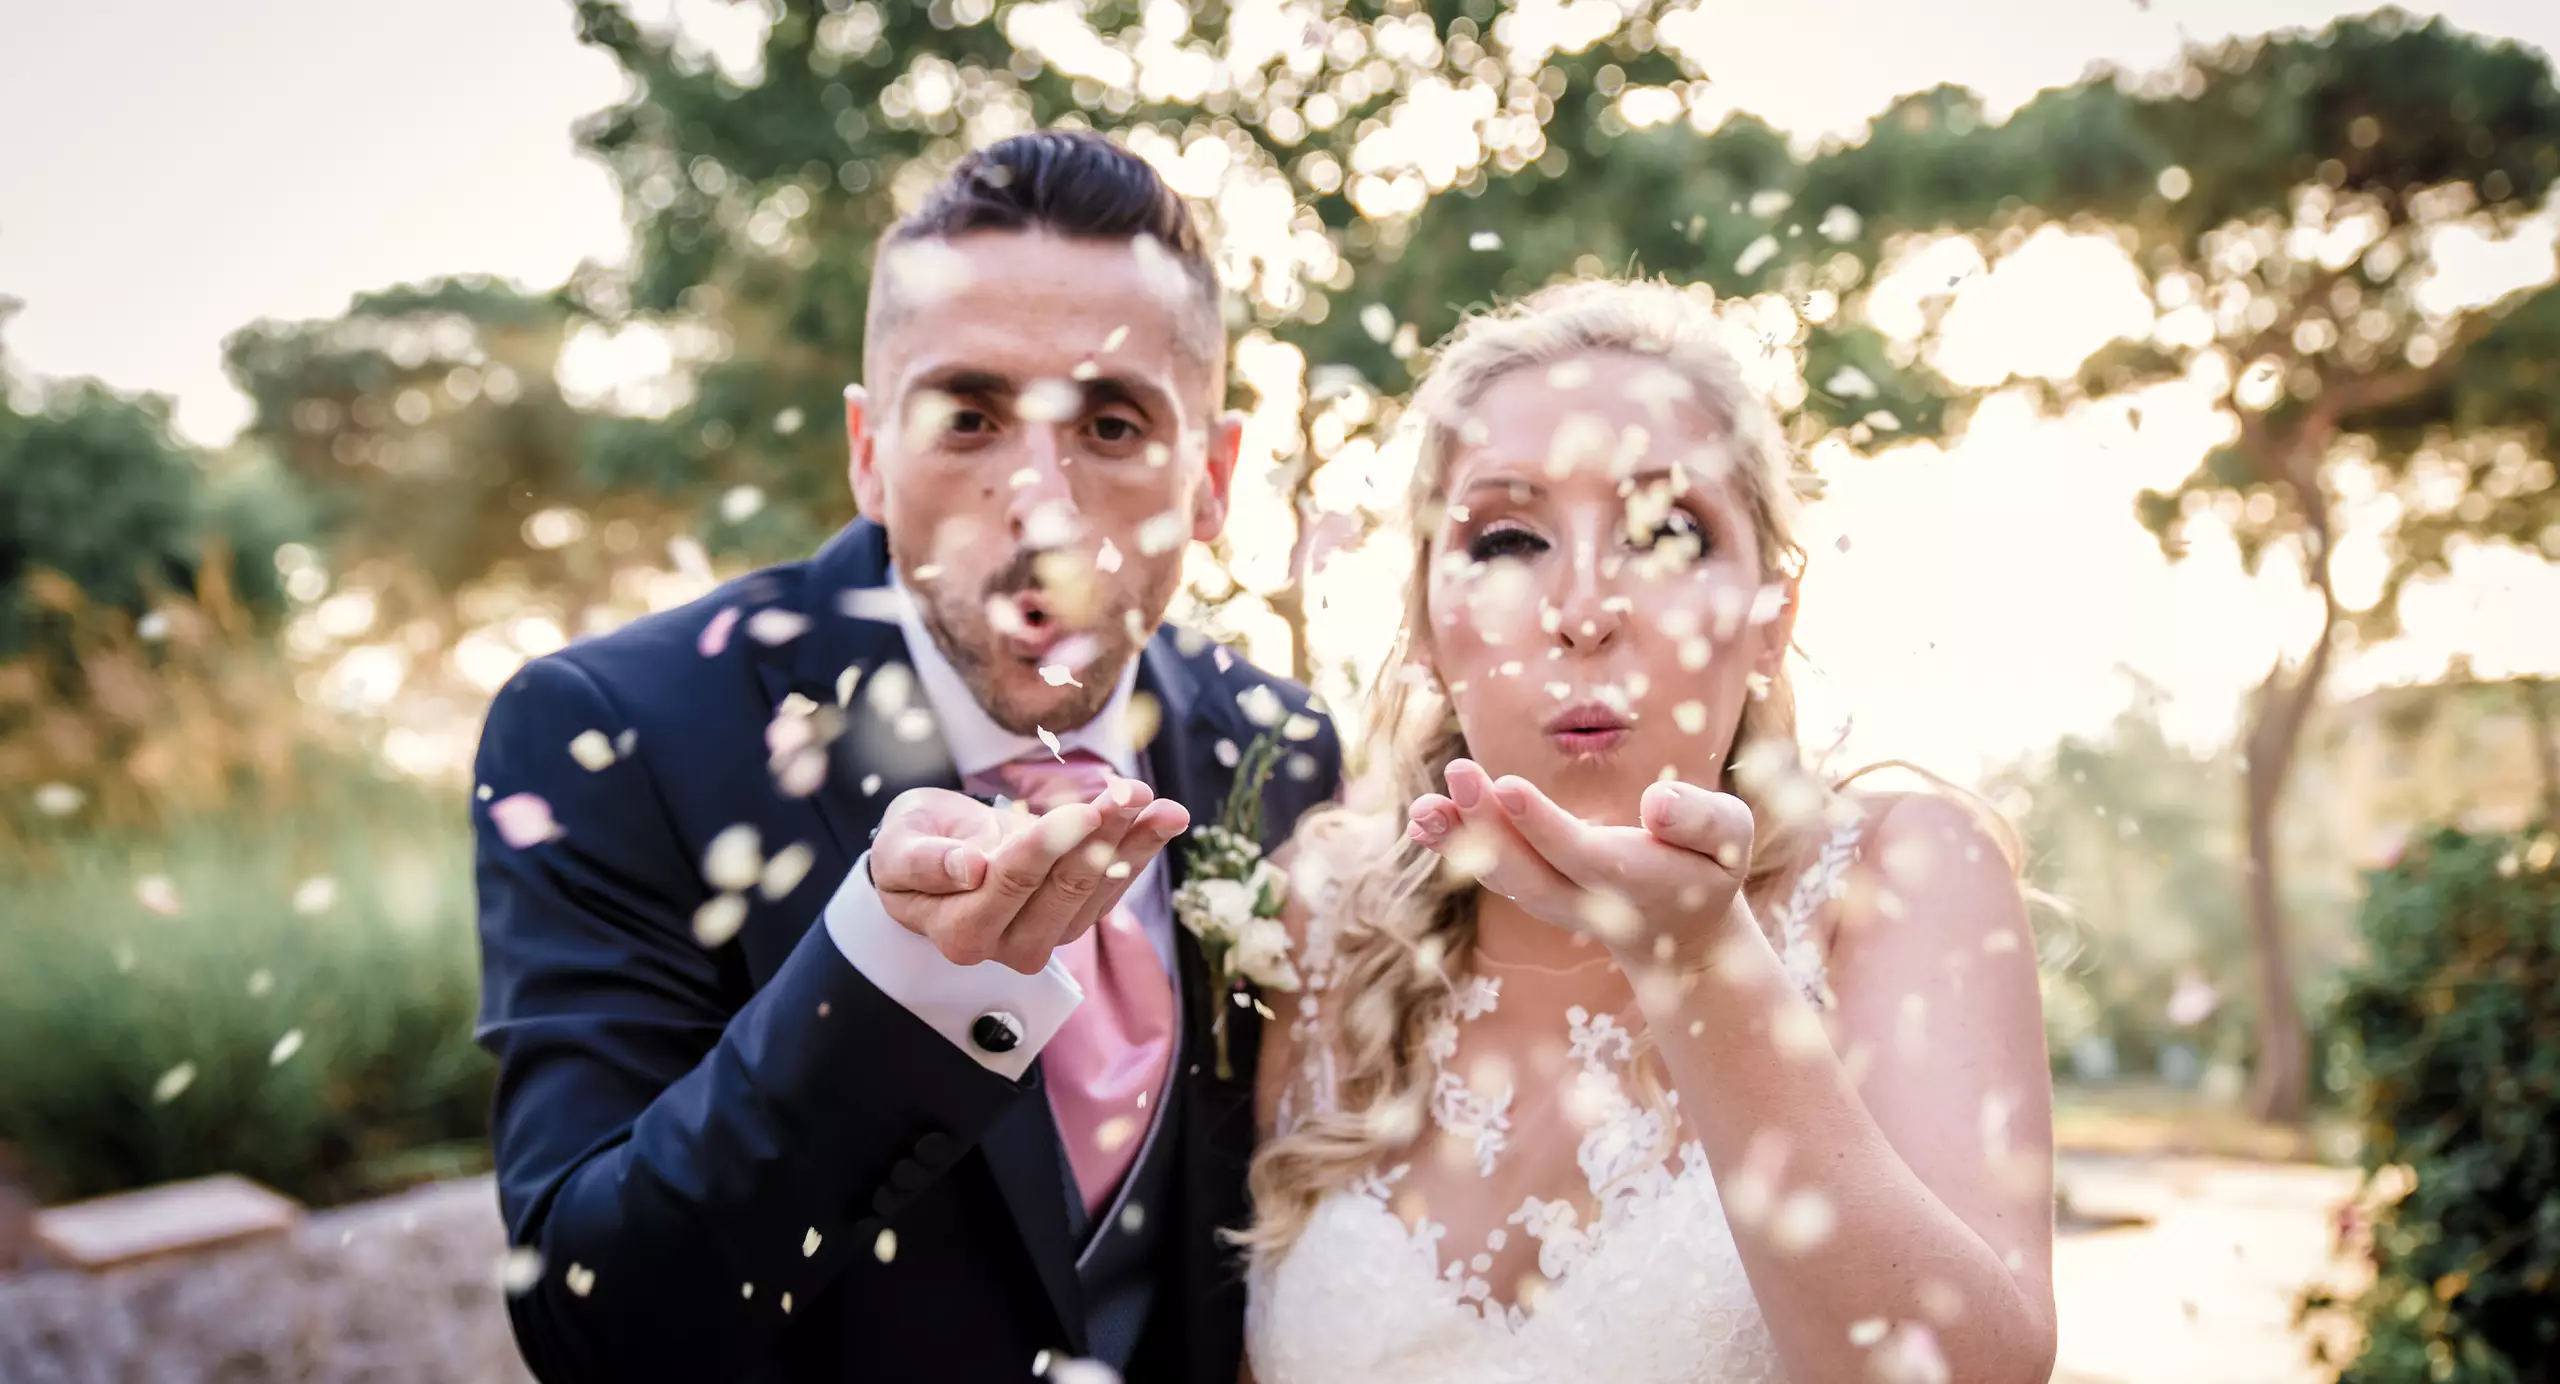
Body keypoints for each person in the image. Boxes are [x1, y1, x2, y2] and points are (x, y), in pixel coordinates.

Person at [472, 129, 1340, 1384]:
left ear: (1210, 479)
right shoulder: (606, 734)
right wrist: (888, 979)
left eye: (1109, 424)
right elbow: (591, 1320)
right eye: (970, 416)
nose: (1040, 505)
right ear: (869, 450)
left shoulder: (1289, 747)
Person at [1242, 280, 2058, 1383]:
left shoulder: (1901, 877)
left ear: (1773, 619)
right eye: (1509, 536)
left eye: (1669, 531)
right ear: (1425, 623)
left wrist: (1701, 964)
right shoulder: (1317, 907)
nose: (1584, 607)